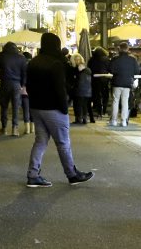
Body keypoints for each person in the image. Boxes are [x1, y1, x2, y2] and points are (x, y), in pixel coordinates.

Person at [25, 32, 93, 187]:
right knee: (63, 142)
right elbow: (60, 89)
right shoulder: (55, 63)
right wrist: (64, 107)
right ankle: (72, 174)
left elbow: (28, 85)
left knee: (40, 141)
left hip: (36, 107)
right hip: (54, 108)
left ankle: (33, 174)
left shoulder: (34, 62)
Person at [0, 42, 27, 136]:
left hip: (5, 83)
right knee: (16, 106)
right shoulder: (21, 58)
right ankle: (15, 128)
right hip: (16, 84)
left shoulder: (2, 56)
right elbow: (24, 72)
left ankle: (4, 128)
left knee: (4, 106)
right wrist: (22, 84)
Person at [109, 42, 138, 127]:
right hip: (127, 83)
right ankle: (123, 121)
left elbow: (110, 70)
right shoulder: (132, 59)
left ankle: (114, 120)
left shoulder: (115, 59)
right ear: (128, 49)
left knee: (115, 101)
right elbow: (137, 71)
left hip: (117, 82)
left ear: (119, 49)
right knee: (125, 102)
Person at [70, 53, 93, 125]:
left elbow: (75, 80)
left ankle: (78, 119)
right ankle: (84, 118)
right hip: (87, 90)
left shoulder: (75, 69)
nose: (77, 61)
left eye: (77, 59)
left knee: (77, 104)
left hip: (79, 90)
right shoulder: (87, 69)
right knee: (84, 105)